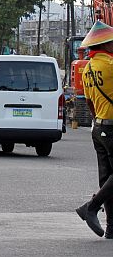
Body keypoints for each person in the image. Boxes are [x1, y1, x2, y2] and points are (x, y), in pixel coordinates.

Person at [76, 21, 113, 238]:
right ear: (106, 45)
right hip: (112, 127)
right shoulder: (110, 66)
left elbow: (89, 102)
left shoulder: (87, 68)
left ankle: (111, 228)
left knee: (107, 178)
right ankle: (91, 207)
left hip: (98, 127)